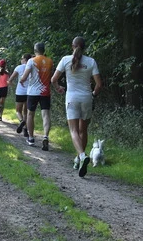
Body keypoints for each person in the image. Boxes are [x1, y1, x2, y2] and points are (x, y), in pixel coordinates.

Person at [52, 36, 103, 176]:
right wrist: (93, 95)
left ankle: (81, 156)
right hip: (87, 98)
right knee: (83, 130)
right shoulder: (91, 61)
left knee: (74, 131)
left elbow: (53, 79)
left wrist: (59, 88)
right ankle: (78, 158)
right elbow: (99, 84)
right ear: (84, 47)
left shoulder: (65, 60)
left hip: (72, 98)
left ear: (72, 46)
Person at [20, 42, 54, 149]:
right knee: (46, 115)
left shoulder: (31, 61)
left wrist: (21, 80)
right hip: (45, 91)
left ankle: (31, 138)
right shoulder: (50, 61)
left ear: (35, 51)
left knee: (30, 114)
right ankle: (45, 137)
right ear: (44, 50)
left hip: (33, 92)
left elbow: (24, 77)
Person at [9, 53, 30, 134]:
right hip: (29, 92)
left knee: (18, 111)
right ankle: (25, 130)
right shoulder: (32, 67)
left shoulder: (19, 67)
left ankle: (21, 121)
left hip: (20, 92)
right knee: (26, 112)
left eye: (22, 58)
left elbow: (10, 80)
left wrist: (14, 86)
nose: (21, 60)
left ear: (24, 59)